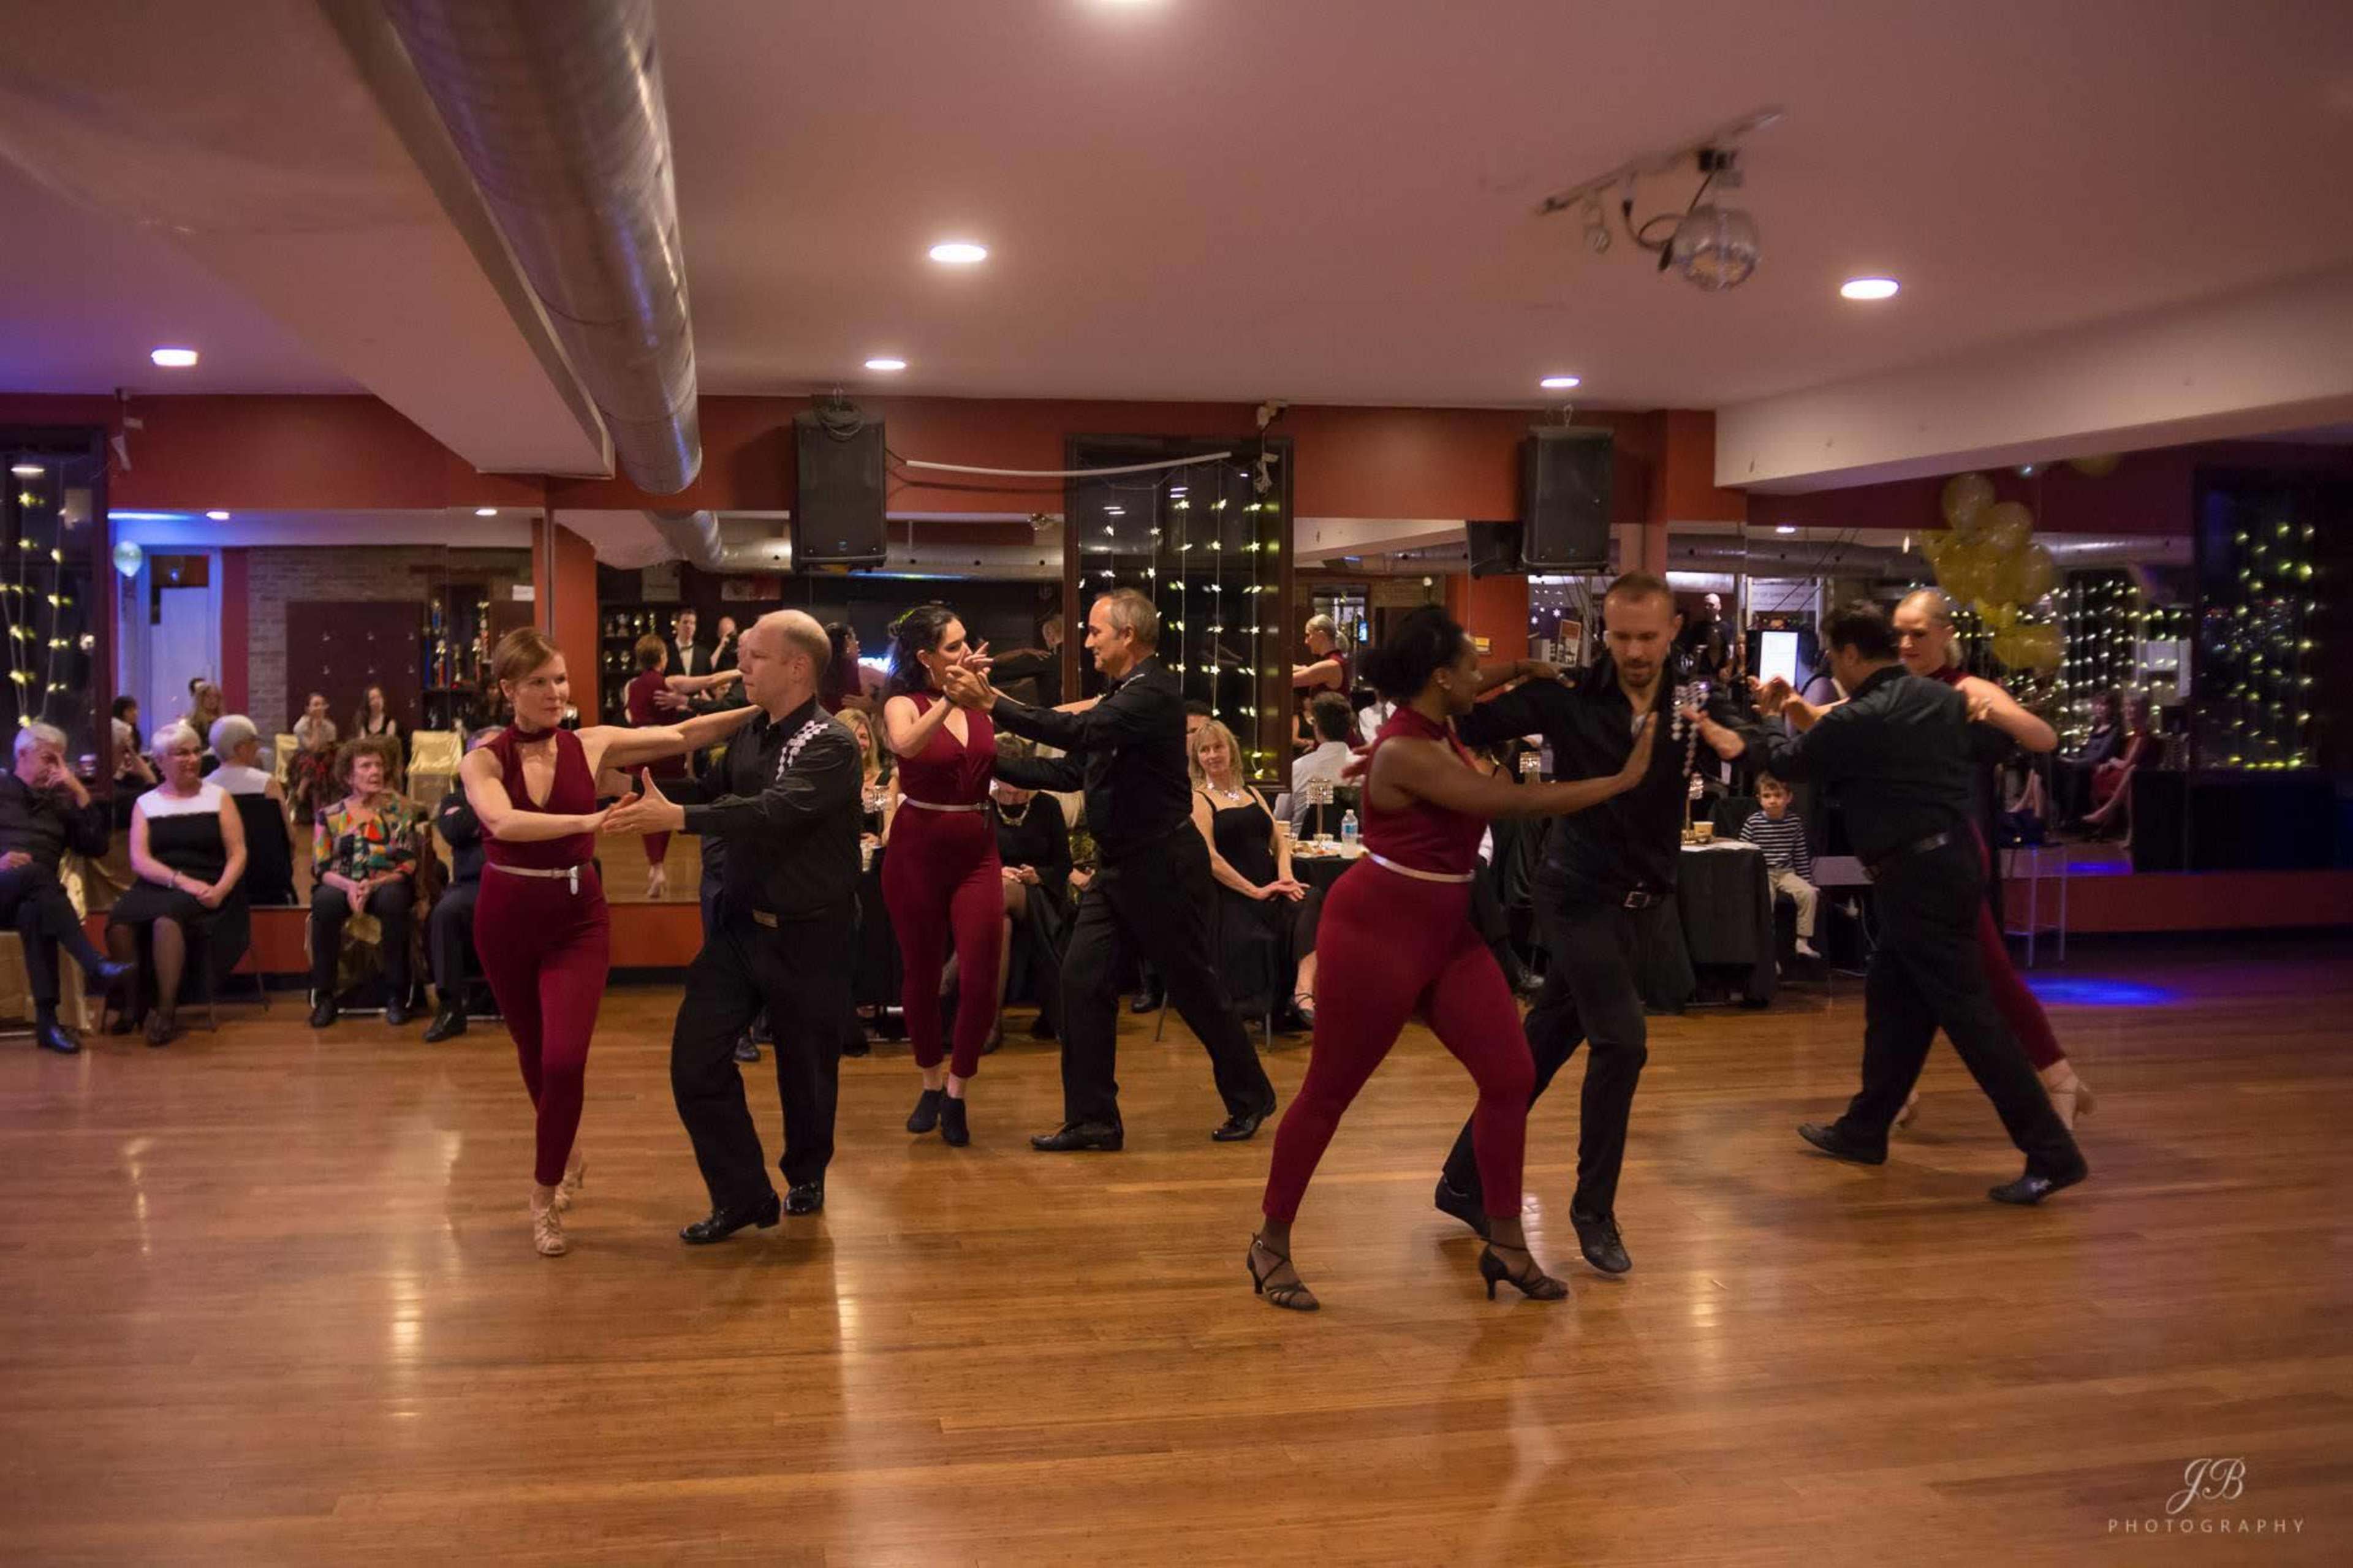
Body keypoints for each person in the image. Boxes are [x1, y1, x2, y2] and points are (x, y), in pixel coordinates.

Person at [1249, 605, 1658, 1312]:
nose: (1482, 676)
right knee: (1329, 1094)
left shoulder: (1437, 722)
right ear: (1440, 678)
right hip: (1377, 931)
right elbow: (1506, 802)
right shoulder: (1410, 750)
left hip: (1445, 929)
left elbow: (1477, 689)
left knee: (1510, 1076)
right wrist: (1622, 783)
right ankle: (1269, 1245)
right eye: (1473, 665)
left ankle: (1505, 1244)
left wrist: (1524, 668)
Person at [1699, 602, 2088, 1205]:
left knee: (1973, 1020)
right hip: (1948, 863)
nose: (1833, 666)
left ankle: (2053, 1154)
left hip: (1920, 877)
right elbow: (1991, 744)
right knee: (1893, 1003)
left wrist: (1741, 733)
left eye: (1833, 656)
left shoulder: (1868, 715)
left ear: (1852, 655)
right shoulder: (1938, 699)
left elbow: (1787, 761)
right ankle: (1865, 1129)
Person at [1429, 572, 1743, 1278]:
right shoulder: (1565, 697)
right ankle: (1593, 1210)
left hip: (1642, 904)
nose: (1634, 649)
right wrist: (1508, 670)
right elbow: (1454, 718)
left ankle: (1460, 1180)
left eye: (1647, 636)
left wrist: (1750, 734)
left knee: (1538, 1047)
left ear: (1670, 633)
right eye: (1622, 634)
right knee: (1623, 1043)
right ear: (1606, 631)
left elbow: (1746, 743)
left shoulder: (1692, 703)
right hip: (1575, 896)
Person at [940, 588, 1278, 1149]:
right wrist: (986, 759)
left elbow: (1075, 733)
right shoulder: (1123, 695)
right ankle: (1094, 1118)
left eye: (1096, 631)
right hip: (1121, 866)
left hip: (1163, 864)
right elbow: (1075, 769)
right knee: (1081, 981)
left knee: (1193, 986)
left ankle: (1251, 1095)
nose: (1087, 641)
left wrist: (990, 702)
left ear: (1128, 636)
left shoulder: (1153, 694)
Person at [462, 627, 756, 1257]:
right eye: (538, 682)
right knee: (534, 1054)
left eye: (560, 680)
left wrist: (767, 702)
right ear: (509, 689)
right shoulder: (484, 756)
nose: (554, 693)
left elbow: (683, 736)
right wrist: (594, 819)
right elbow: (502, 820)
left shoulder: (589, 744)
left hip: (577, 920)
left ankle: (543, 1196)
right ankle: (566, 1150)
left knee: (565, 1060)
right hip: (505, 918)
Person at [1768, 588, 2094, 1127]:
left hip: (1949, 853)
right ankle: (1893, 1097)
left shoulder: (1964, 687)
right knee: (1898, 981)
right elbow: (1827, 727)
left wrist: (1993, 713)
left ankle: (2057, 1080)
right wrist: (1786, 702)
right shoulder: (1895, 689)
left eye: (1920, 632)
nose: (1907, 641)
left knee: (1980, 974)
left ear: (1947, 634)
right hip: (1913, 860)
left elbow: (2044, 735)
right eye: (1900, 631)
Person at [602, 610, 863, 1243]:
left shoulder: (831, 744)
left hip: (809, 936)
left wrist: (678, 818)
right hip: (741, 932)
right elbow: (711, 787)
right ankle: (745, 1194)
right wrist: (631, 786)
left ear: (798, 667)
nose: (740, 668)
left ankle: (806, 1175)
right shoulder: (752, 732)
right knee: (695, 1063)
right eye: (743, 655)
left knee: (805, 1072)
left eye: (755, 657)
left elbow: (772, 811)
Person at [878, 604, 1018, 1146]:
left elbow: (1040, 714)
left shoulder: (981, 696)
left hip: (977, 849)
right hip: (916, 850)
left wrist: (1106, 707)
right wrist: (949, 700)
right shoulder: (902, 702)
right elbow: (904, 745)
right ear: (926, 658)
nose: (968, 652)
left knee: (981, 974)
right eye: (955, 646)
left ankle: (959, 1090)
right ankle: (930, 1082)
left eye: (968, 641)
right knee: (920, 974)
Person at [104, 721, 248, 1046]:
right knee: (120, 922)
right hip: (162, 881)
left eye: (196, 752)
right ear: (160, 762)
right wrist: (180, 881)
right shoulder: (147, 803)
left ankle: (167, 1011)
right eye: (181, 754)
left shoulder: (219, 797)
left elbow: (238, 853)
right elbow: (140, 860)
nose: (192, 759)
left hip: (208, 880)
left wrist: (221, 890)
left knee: (167, 921)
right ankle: (133, 1005)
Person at [1, 724, 132, 1053]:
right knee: (34, 876)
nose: (56, 768)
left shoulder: (60, 804)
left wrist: (81, 794)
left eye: (61, 761)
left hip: (32, 897)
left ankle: (47, 1024)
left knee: (36, 908)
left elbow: (96, 846)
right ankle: (93, 962)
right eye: (49, 758)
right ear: (22, 754)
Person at [1188, 718, 1308, 1028]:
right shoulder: (1199, 799)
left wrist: (1285, 878)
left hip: (1271, 885)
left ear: (1232, 751)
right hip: (1232, 896)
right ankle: (1280, 1001)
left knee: (1312, 900)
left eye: (1218, 747)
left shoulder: (1252, 793)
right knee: (1262, 931)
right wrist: (1255, 891)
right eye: (1205, 750)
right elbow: (1210, 859)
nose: (1212, 755)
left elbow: (1279, 840)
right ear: (1197, 758)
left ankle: (1303, 991)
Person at [307, 738, 423, 1028]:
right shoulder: (330, 815)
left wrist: (374, 884)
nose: (375, 772)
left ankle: (397, 995)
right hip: (341, 882)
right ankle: (325, 997)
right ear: (349, 775)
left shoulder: (401, 809)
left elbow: (408, 863)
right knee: (324, 901)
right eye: (366, 766)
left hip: (387, 881)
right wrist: (348, 886)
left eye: (379, 765)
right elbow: (320, 867)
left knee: (394, 900)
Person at [623, 634, 744, 900]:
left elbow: (630, 717)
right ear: (663, 658)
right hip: (664, 750)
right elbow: (711, 681)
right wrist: (741, 669)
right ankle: (660, 867)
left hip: (637, 749)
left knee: (646, 805)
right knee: (664, 804)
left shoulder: (631, 686)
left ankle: (656, 866)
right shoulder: (669, 682)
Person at [977, 735, 1071, 1050]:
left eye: (1018, 779)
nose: (1012, 788)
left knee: (999, 898)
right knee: (999, 920)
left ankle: (954, 977)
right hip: (994, 895)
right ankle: (992, 1023)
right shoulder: (984, 806)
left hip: (1042, 896)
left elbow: (1063, 866)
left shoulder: (1047, 806)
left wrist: (1037, 876)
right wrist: (995, 872)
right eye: (1005, 779)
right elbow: (972, 861)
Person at [423, 730, 494, 1042]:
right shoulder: (455, 799)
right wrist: (493, 800)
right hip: (473, 885)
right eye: (483, 752)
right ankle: (451, 1008)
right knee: (444, 914)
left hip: (521, 878)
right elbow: (455, 829)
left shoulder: (532, 789)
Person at [1740, 774, 1820, 958]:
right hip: (1764, 873)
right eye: (1767, 796)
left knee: (1809, 894)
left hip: (1786, 873)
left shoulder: (1794, 822)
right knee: (1766, 901)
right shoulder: (1753, 822)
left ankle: (1802, 941)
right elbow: (1744, 852)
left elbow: (1800, 854)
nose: (1773, 801)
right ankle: (1769, 954)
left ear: (1789, 798)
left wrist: (1807, 881)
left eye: (1778, 796)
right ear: (1759, 799)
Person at [2082, 692, 2157, 842]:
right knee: (2097, 774)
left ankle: (2105, 815)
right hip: (2129, 774)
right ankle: (2104, 824)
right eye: (2127, 706)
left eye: (2133, 706)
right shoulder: (2134, 734)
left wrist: (2111, 760)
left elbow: (2129, 763)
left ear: (2143, 710)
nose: (2128, 710)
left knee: (2127, 774)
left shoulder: (2143, 734)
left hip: (2140, 776)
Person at [1287, 691, 1357, 837]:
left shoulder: (1299, 767)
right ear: (1349, 728)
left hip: (1304, 855)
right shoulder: (1365, 769)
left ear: (1316, 727)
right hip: (1354, 852)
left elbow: (1282, 817)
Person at [1290, 613, 1351, 748]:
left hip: (1335, 738)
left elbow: (1288, 680)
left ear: (1321, 635)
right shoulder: (1332, 662)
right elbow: (1306, 669)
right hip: (1329, 734)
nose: (1306, 642)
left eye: (1308, 635)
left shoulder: (1331, 665)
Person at [988, 612, 1066, 708]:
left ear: (1049, 633)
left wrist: (1023, 651)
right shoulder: (1080, 659)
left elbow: (992, 672)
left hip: (1054, 716)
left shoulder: (1044, 659)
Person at [206, 714, 284, 805]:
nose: (257, 747)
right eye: (253, 741)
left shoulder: (204, 788)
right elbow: (283, 819)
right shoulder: (267, 784)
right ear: (241, 748)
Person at [290, 692, 339, 824]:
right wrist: (316, 728)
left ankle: (302, 791)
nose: (320, 708)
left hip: (323, 758)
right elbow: (311, 748)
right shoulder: (300, 726)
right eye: (316, 705)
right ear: (308, 709)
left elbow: (330, 748)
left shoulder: (330, 726)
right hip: (302, 760)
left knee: (321, 765)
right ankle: (318, 810)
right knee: (312, 761)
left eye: (322, 705)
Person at [819, 622, 873, 716]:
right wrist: (874, 707)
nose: (858, 643)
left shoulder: (818, 674)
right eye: (855, 639)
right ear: (847, 641)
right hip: (854, 728)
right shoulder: (863, 671)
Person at [667, 608, 708, 678]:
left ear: (695, 627)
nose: (689, 626)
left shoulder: (704, 654)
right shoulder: (666, 651)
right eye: (685, 622)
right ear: (677, 625)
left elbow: (708, 681)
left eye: (692, 623)